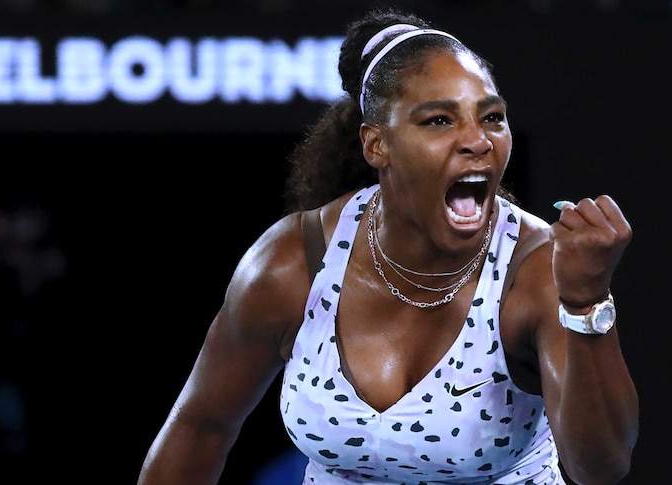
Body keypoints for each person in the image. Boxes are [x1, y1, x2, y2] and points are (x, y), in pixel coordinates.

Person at [138, 6, 638, 485]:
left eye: (492, 117)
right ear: (377, 144)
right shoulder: (295, 261)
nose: (478, 141)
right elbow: (200, 430)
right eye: (440, 120)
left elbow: (600, 467)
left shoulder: (536, 269)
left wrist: (585, 302)